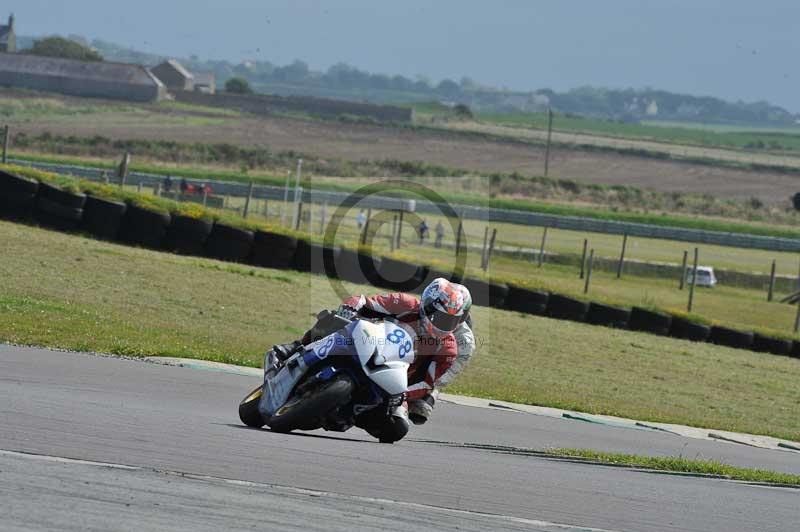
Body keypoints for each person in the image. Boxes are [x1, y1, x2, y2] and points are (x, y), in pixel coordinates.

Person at [272, 278, 476, 428]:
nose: (441, 325)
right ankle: (295, 346)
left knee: (398, 428)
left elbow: (427, 383)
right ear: (427, 305)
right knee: (333, 318)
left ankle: (352, 416)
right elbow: (363, 301)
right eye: (438, 317)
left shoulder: (448, 348)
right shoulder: (404, 304)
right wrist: (348, 309)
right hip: (363, 345)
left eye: (449, 321)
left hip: (391, 379)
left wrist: (403, 393)